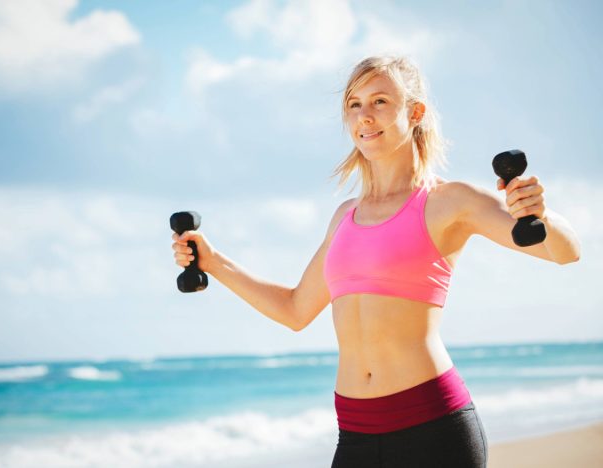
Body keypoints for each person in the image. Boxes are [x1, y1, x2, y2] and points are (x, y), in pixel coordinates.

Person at [171, 55, 581, 467]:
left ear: (415, 112)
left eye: (380, 101)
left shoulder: (448, 201)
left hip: (433, 430)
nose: (365, 116)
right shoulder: (345, 216)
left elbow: (563, 251)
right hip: (355, 435)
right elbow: (295, 310)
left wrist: (541, 215)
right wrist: (214, 262)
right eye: (354, 104)